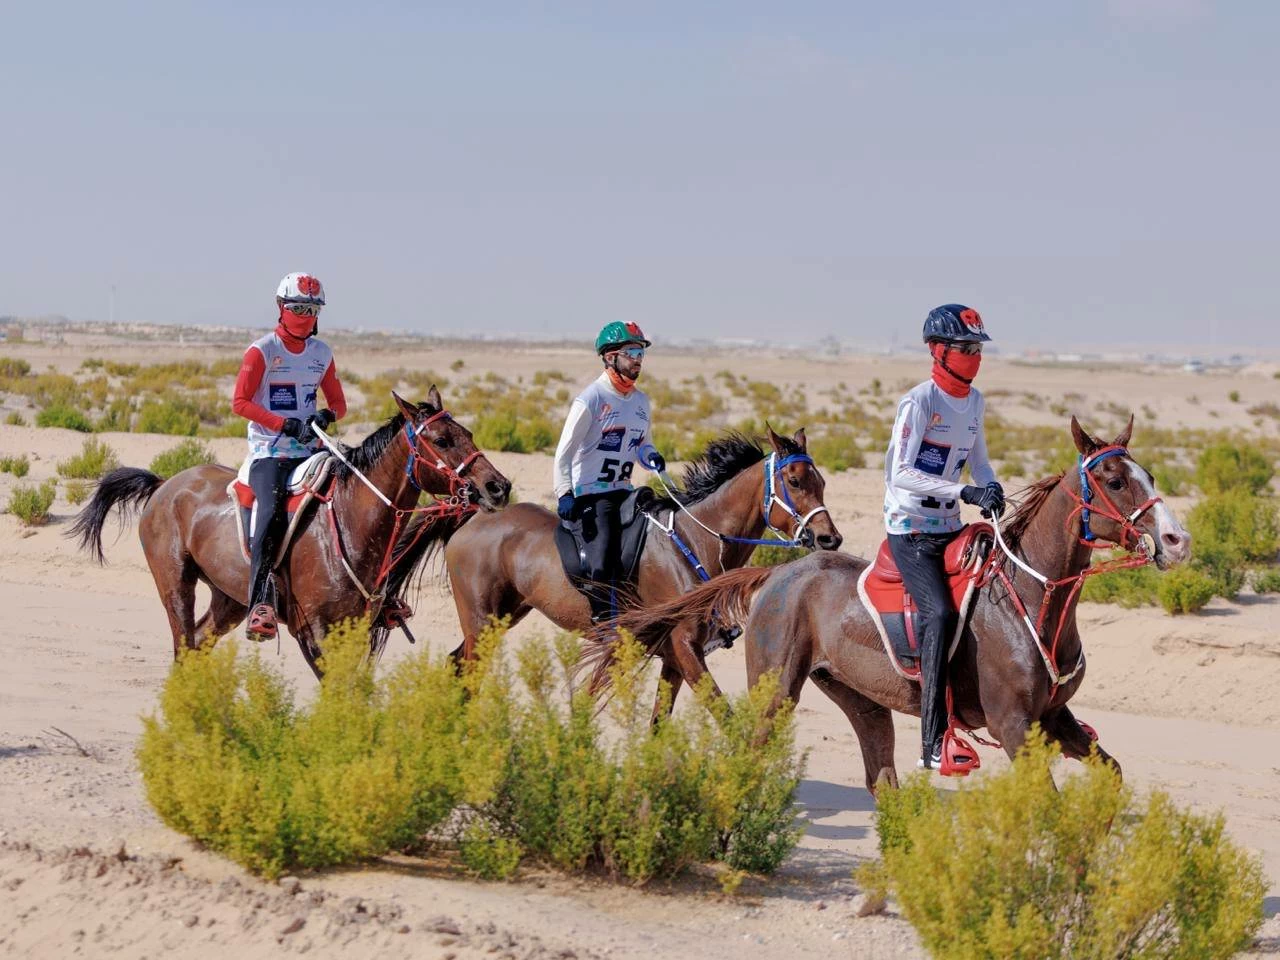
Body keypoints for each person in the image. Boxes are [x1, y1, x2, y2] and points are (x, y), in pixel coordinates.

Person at [882, 304, 1004, 769]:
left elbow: (981, 459)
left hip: (951, 525)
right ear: (938, 351)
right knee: (938, 614)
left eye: (978, 348)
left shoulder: (974, 402)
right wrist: (964, 489)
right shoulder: (920, 402)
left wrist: (989, 485)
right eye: (965, 348)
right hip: (910, 529)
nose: (974, 356)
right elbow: (903, 473)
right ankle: (932, 743)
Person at [231, 272, 347, 640]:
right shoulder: (262, 351)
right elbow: (240, 403)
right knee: (270, 511)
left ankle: (380, 594)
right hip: (270, 452)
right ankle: (260, 603)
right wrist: (283, 425)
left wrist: (325, 416)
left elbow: (339, 404)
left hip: (312, 448)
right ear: (281, 307)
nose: (305, 314)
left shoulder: (321, 353)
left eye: (313, 308)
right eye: (298, 307)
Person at [553, 321, 663, 623]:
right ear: (610, 356)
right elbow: (562, 454)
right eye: (631, 351)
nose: (638, 359)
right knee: (603, 555)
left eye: (641, 352)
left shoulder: (641, 402)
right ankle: (603, 624)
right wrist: (564, 492)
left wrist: (651, 456)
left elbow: (643, 445)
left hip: (625, 490)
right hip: (592, 494)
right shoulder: (591, 400)